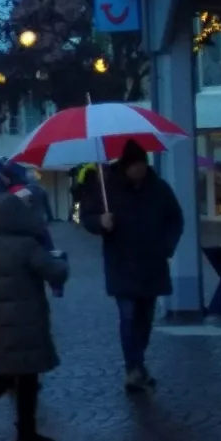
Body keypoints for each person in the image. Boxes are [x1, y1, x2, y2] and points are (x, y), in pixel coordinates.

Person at [0, 190, 70, 441]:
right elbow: (54, 272)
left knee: (10, 373)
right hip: (26, 322)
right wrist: (62, 263)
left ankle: (20, 431)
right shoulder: (27, 246)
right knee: (21, 376)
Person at [81, 140, 184, 392]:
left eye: (142, 165)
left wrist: (166, 247)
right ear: (125, 167)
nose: (139, 170)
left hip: (152, 263)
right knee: (127, 315)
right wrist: (100, 222)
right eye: (135, 166)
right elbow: (86, 217)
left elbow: (175, 219)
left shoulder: (159, 189)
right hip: (121, 263)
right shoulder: (106, 188)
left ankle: (137, 364)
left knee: (144, 318)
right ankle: (133, 368)